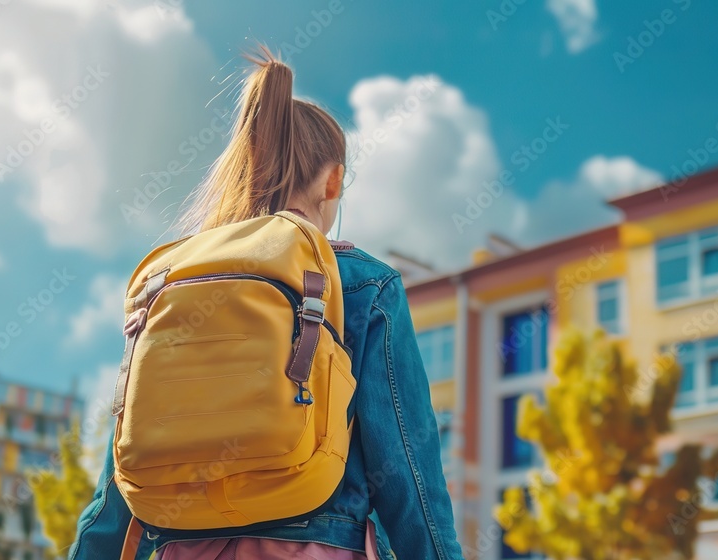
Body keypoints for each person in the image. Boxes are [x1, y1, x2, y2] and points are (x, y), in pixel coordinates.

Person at [68, 45, 464, 560]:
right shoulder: (362, 284)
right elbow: (410, 479)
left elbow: (116, 486)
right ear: (334, 180)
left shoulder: (170, 281)